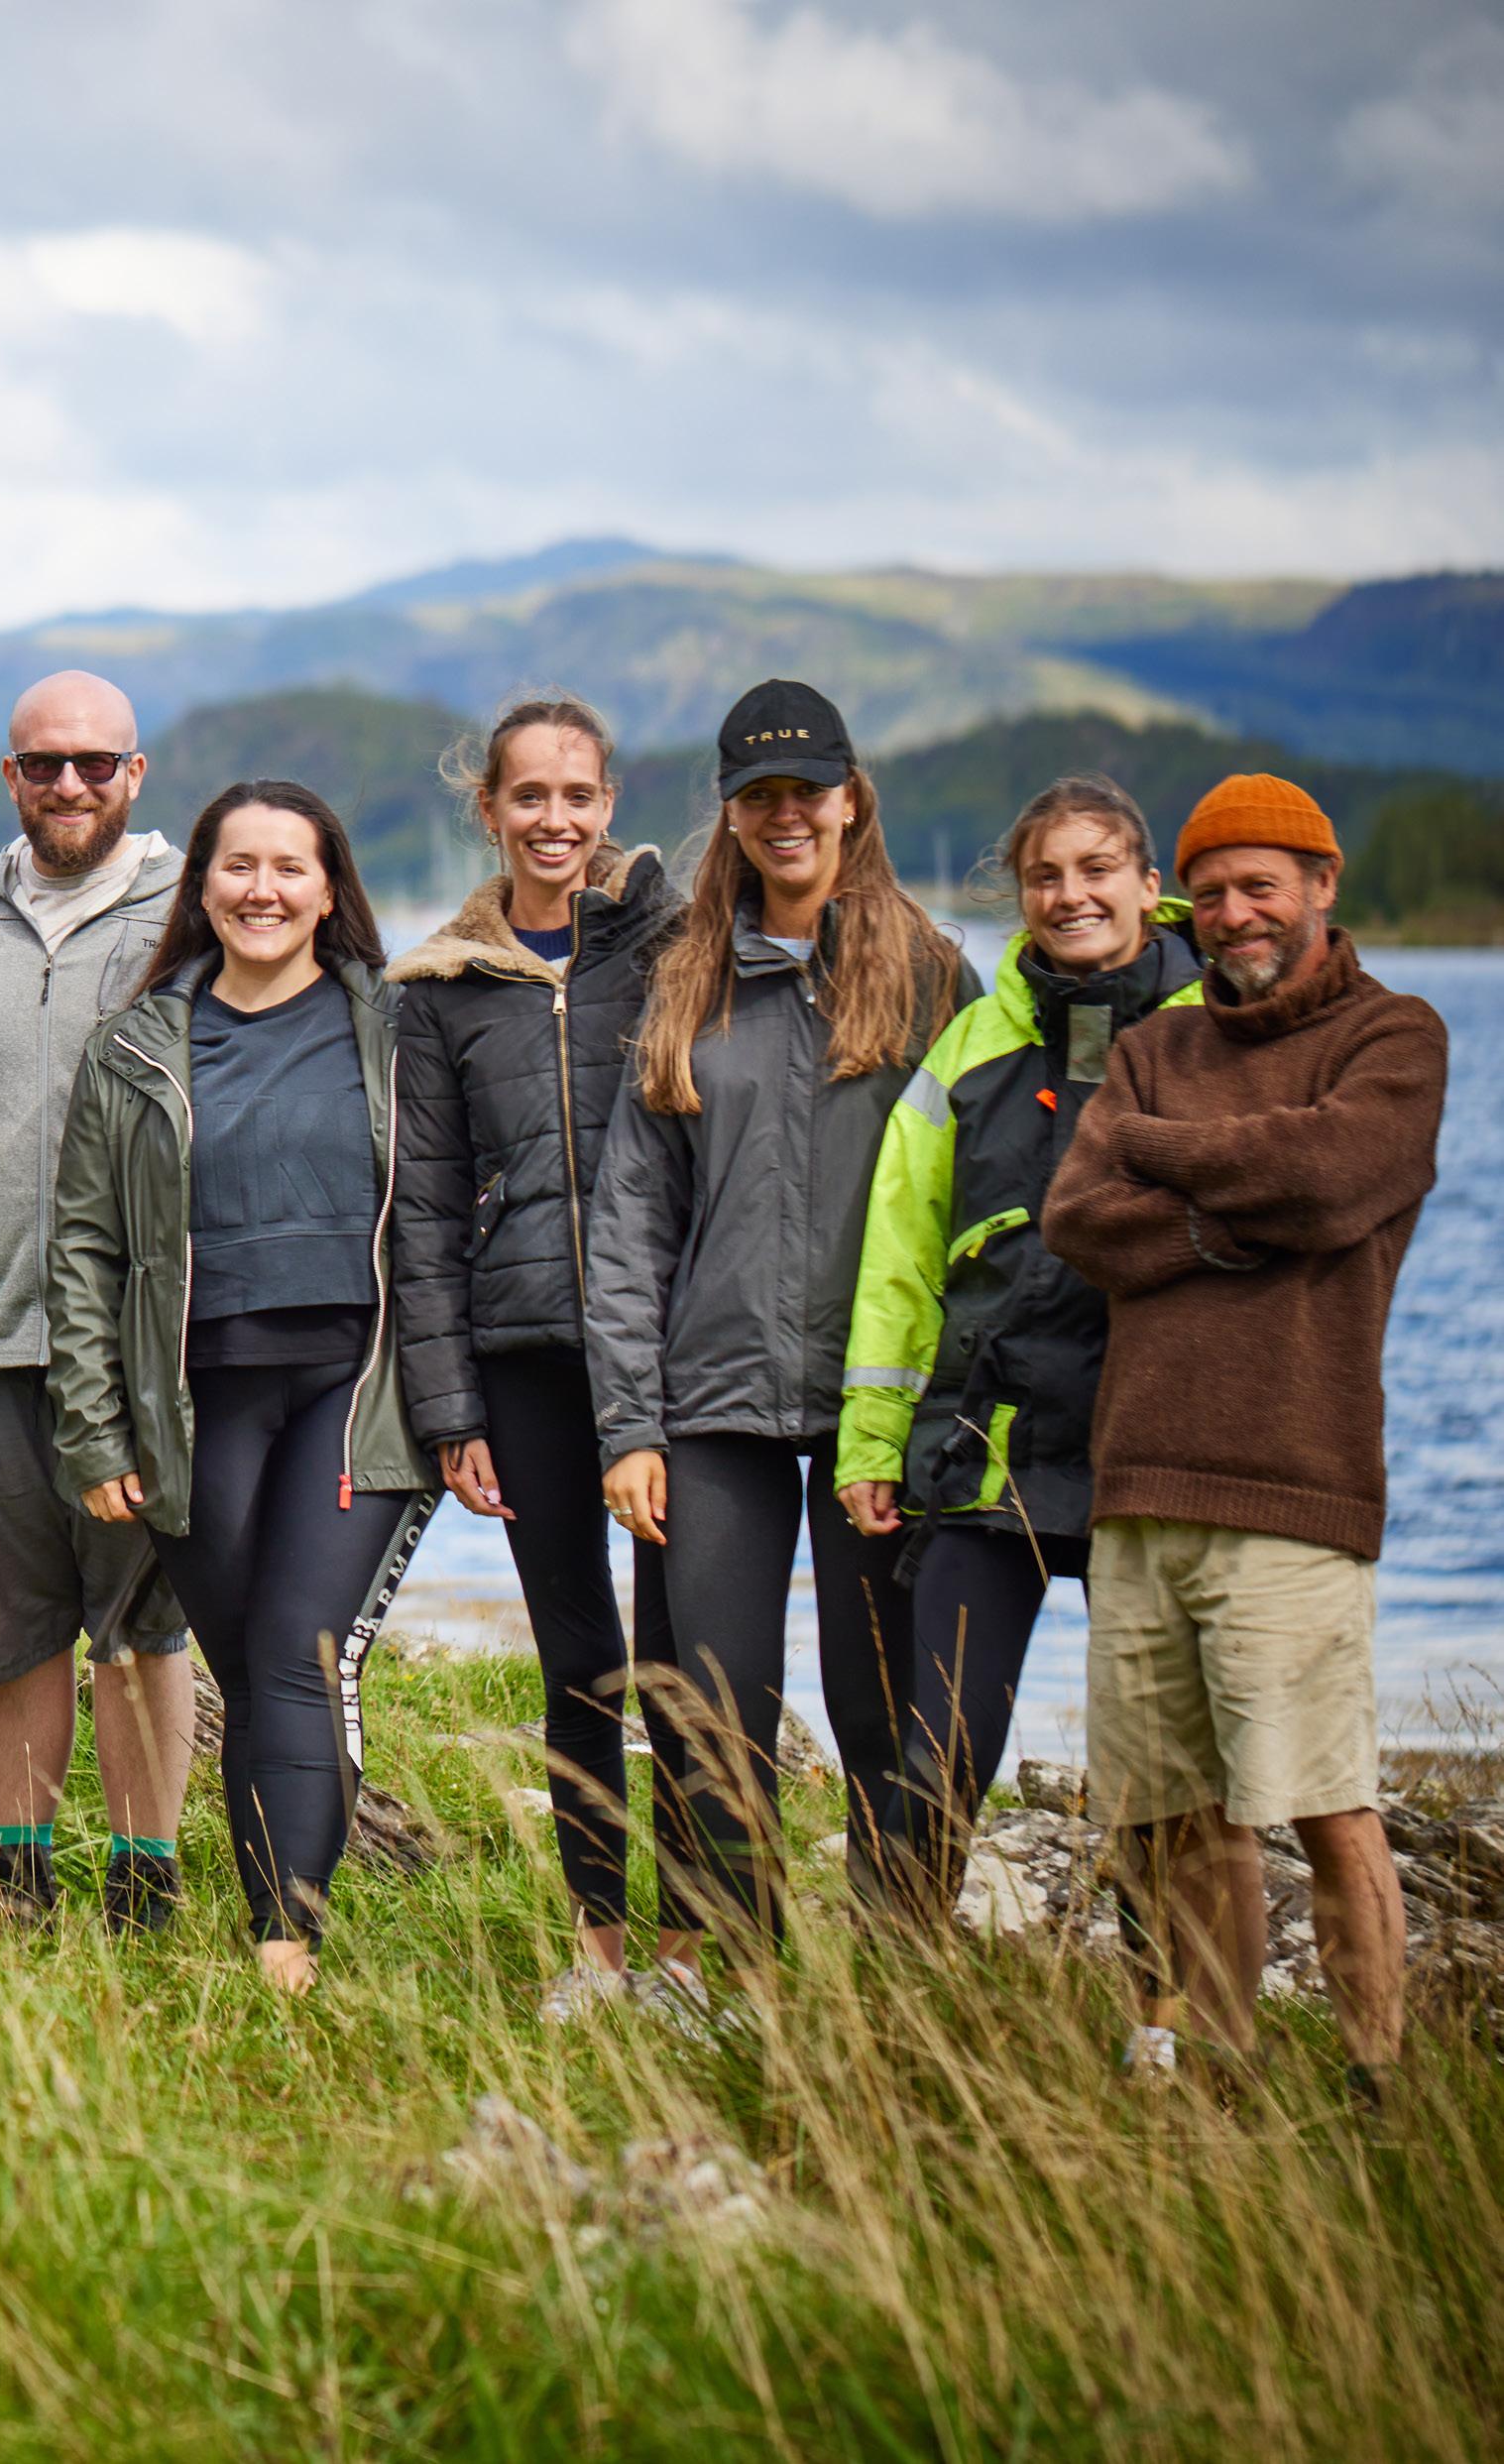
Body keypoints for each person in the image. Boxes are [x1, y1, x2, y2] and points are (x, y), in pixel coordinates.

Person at [1045, 774, 1445, 2108]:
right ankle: (1221, 2073)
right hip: (1138, 1483)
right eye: (1210, 893)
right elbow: (1079, 1219)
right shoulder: (1154, 1049)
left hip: (1295, 1485)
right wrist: (1235, 1221)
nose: (1233, 914)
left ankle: (1375, 2085)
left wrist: (1163, 1155)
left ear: (1322, 884)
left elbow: (1333, 1178)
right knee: (1174, 1817)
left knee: (1326, 1801)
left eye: (1260, 885)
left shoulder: (1394, 1035)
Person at [586, 679, 974, 1994]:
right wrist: (629, 1428)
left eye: (807, 789)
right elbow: (630, 1222)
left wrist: (949, 1408)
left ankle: (899, 1973)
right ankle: (732, 1982)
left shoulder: (931, 976)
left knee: (882, 1706)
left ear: (850, 800)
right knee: (710, 1704)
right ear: (731, 814)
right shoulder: (685, 982)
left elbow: (982, 1201)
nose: (785, 813)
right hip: (714, 1402)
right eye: (759, 795)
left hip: (882, 1409)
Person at [48, 779, 435, 1995]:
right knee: (251, 1666)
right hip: (194, 1400)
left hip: (351, 1387)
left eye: (288, 867)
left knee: (297, 1653)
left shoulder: (399, 1029)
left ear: (328, 890)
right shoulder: (131, 1047)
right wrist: (94, 1430)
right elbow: (83, 1248)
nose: (261, 890)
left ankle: (285, 1946)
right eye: (237, 866)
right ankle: (276, 1914)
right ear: (201, 884)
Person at [835, 777, 1201, 1910]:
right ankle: (897, 1995)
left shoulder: (1217, 1030)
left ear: (1148, 883)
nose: (1069, 894)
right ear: (1020, 895)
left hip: (1151, 1452)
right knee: (936, 1752)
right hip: (988, 1449)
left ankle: (1163, 2004)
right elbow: (899, 1259)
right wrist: (871, 1444)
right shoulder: (970, 1045)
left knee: (1159, 1780)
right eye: (1045, 875)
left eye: (1096, 869)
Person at [388, 693, 679, 2019]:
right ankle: (598, 1948)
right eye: (528, 797)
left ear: (606, 805)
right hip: (522, 1355)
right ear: (489, 809)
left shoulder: (667, 949)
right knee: (579, 1659)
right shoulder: (442, 989)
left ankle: (695, 1954)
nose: (553, 819)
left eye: (577, 796)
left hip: (669, 1344)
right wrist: (450, 1407)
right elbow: (424, 1211)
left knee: (684, 1653)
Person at [0, 670, 195, 1932]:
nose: (70, 784)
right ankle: (15, 1881)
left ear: (135, 772)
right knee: (7, 1627)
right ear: (11, 776)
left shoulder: (195, 909)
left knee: (143, 1626)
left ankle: (144, 1884)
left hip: (138, 1348)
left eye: (96, 762)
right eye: (45, 764)